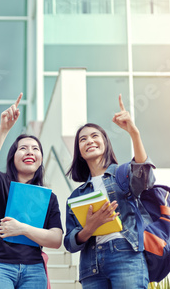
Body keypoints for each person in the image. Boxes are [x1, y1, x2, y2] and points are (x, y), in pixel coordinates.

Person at [63, 94, 156, 289]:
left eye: (95, 136)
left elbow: (146, 178)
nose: (89, 141)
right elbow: (70, 243)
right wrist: (89, 228)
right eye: (83, 139)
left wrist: (134, 133)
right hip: (91, 266)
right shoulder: (76, 196)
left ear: (105, 143)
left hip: (127, 256)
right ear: (79, 151)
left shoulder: (122, 174)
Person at [0, 93, 63, 289]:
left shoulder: (48, 198)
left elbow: (56, 239)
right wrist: (3, 131)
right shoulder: (0, 182)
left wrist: (22, 229)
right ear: (13, 156)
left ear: (41, 158)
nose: (30, 152)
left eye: (35, 149)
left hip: (34, 270)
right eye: (23, 148)